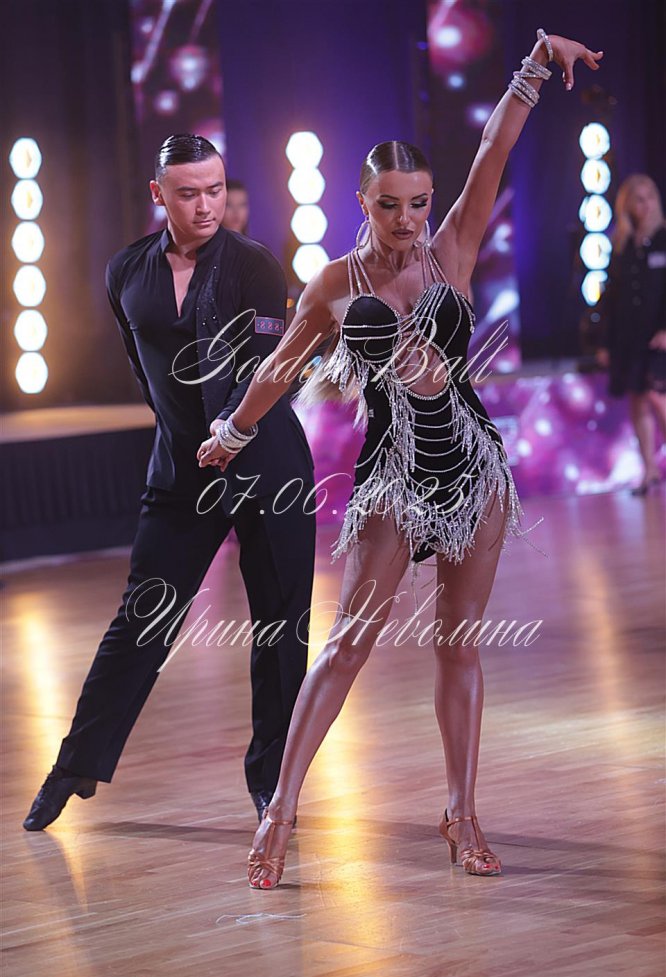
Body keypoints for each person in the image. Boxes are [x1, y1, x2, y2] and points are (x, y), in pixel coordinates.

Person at [198, 30, 603, 885]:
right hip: (394, 478)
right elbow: (279, 369)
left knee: (460, 647)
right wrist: (231, 431)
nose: (408, 219)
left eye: (418, 203)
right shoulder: (334, 286)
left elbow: (493, 149)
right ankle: (280, 808)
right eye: (391, 204)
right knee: (347, 646)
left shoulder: (451, 249)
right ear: (362, 199)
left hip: (472, 472)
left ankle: (462, 812)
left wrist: (535, 63)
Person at [22, 134, 315, 832]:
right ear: (159, 194)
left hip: (267, 468)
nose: (207, 205)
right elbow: (146, 372)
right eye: (189, 193)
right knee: (140, 620)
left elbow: (272, 368)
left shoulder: (253, 264)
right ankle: (76, 763)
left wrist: (231, 432)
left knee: (280, 628)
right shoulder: (126, 270)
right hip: (183, 474)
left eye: (215, 189)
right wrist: (189, 443)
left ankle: (271, 784)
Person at [594, 174, 666, 495]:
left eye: (649, 197)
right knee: (637, 400)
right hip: (629, 336)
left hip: (658, 335)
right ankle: (649, 470)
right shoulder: (622, 245)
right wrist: (605, 342)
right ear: (628, 205)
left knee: (658, 397)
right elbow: (612, 297)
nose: (645, 204)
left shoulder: (663, 239)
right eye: (639, 199)